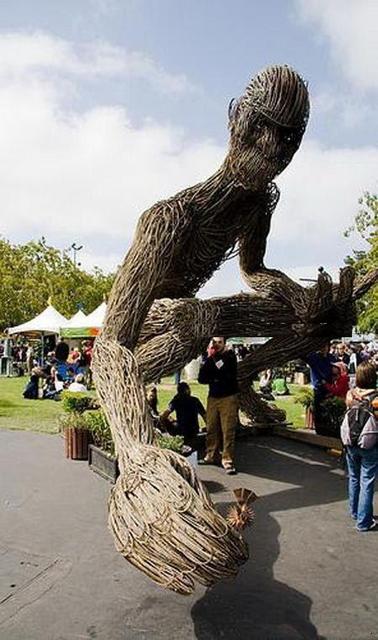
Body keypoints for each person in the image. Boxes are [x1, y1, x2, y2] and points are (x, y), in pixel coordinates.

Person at [341, 361, 378, 532]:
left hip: (351, 442)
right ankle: (364, 522)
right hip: (370, 443)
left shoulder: (350, 394)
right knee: (367, 481)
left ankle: (355, 512)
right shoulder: (376, 397)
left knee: (354, 477)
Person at [198, 337, 239, 474]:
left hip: (228, 397)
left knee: (227, 429)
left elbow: (226, 373)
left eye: (219, 342)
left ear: (224, 344)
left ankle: (227, 460)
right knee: (211, 427)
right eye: (214, 342)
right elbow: (202, 378)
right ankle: (211, 455)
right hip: (213, 397)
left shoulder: (230, 356)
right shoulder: (210, 358)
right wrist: (211, 362)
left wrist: (213, 362)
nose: (216, 345)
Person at [162, 382, 206, 448]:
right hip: (194, 430)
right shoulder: (195, 400)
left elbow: (165, 414)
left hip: (181, 429)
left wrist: (163, 422)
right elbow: (204, 415)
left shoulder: (176, 401)